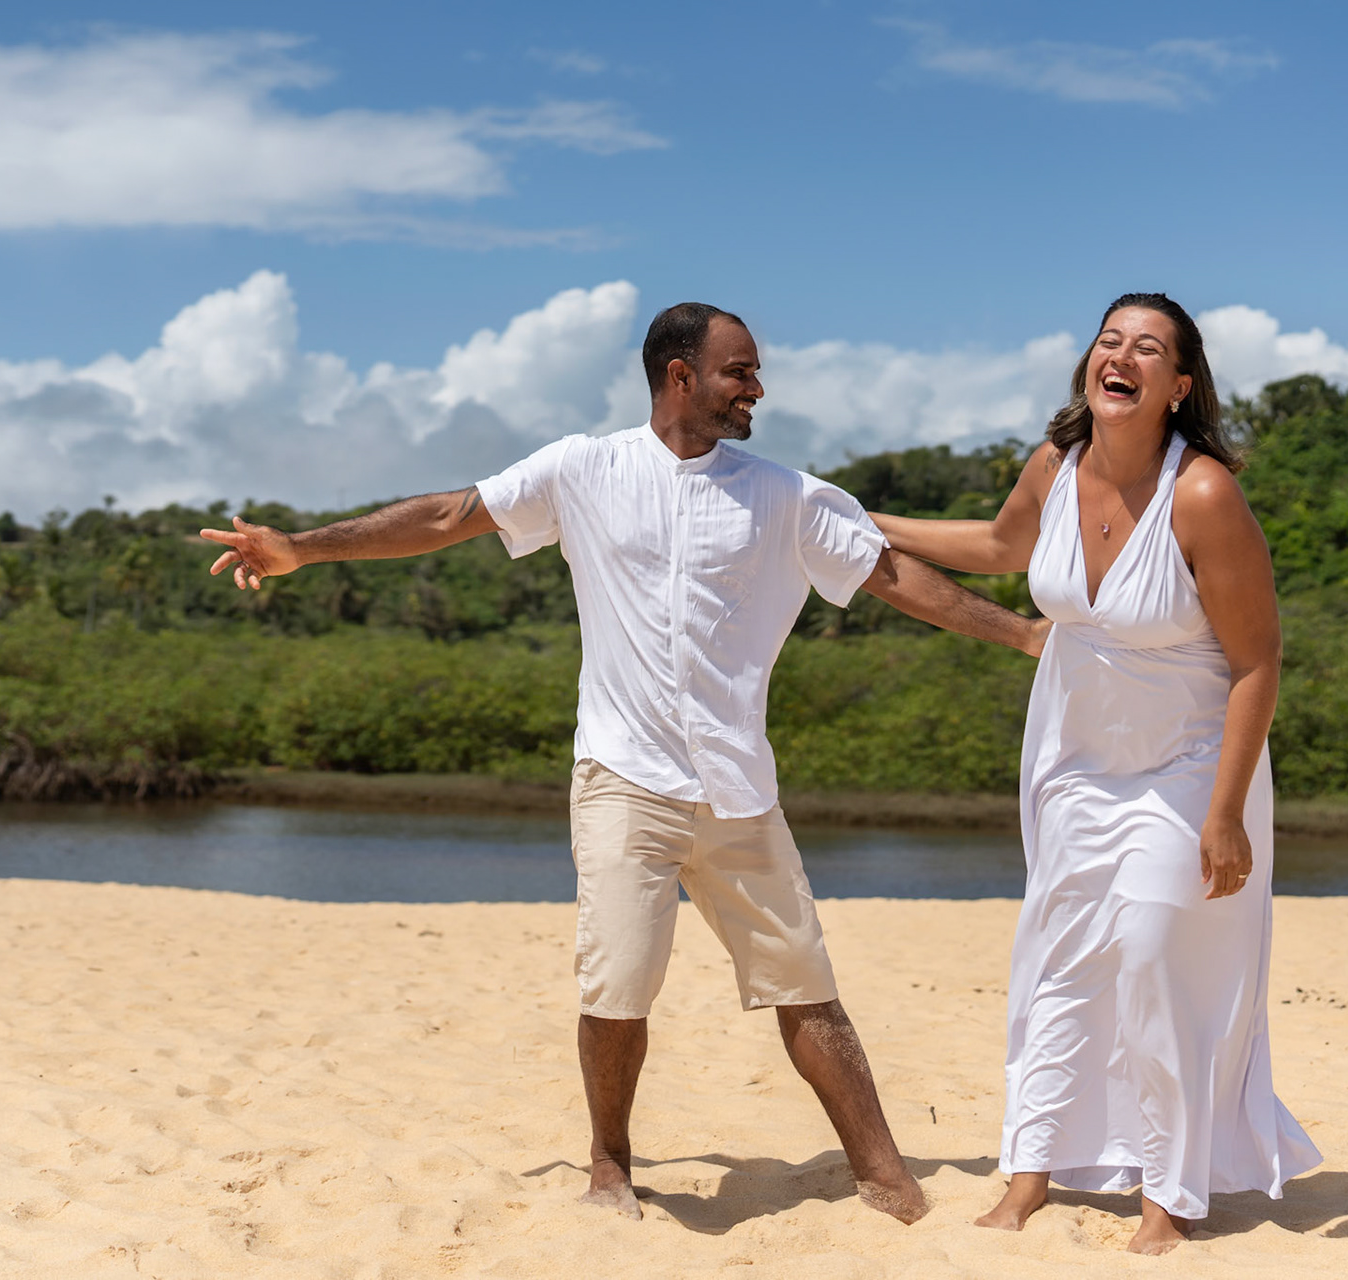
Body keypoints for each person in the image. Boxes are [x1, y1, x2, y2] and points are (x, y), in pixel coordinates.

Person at [200, 302, 1048, 1226]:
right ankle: (609, 1164)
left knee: (806, 985)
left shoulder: (787, 495)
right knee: (617, 987)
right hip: (622, 777)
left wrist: (1024, 636)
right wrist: (303, 550)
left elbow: (892, 577)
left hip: (738, 787)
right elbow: (451, 514)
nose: (756, 387)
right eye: (740, 371)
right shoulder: (583, 468)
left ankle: (883, 1172)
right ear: (680, 375)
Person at [871, 292, 1321, 1254]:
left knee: (1157, 959)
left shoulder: (1202, 495)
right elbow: (1000, 548)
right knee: (1057, 961)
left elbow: (1257, 664)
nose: (1121, 356)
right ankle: (1029, 1176)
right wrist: (872, 521)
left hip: (1188, 767)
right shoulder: (1054, 466)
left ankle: (1169, 1194)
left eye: (1148, 348)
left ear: (1179, 386)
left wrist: (1227, 811)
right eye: (1109, 341)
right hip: (1076, 761)